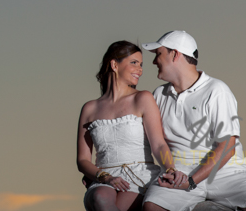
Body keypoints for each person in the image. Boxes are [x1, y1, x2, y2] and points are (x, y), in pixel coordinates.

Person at [141, 31, 246, 211]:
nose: (153, 61)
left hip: (225, 172)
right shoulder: (158, 95)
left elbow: (227, 146)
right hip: (178, 171)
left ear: (175, 54)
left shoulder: (217, 90)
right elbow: (155, 142)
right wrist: (173, 172)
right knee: (151, 208)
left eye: (158, 54)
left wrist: (191, 182)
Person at [77, 41, 186, 211]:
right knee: (101, 197)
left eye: (141, 64)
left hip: (138, 175)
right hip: (103, 177)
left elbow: (158, 144)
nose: (140, 69)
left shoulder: (142, 98)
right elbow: (82, 160)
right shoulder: (89, 108)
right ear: (114, 65)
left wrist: (170, 168)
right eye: (134, 63)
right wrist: (103, 176)